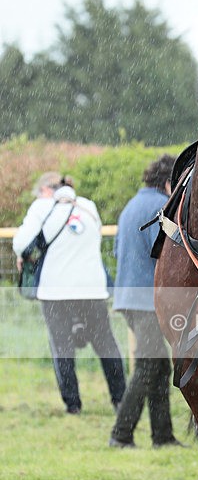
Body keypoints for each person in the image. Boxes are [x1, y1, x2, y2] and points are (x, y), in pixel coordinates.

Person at [13, 172, 126, 414]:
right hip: (92, 288)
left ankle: (73, 405)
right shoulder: (87, 206)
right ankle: (120, 399)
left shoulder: (41, 207)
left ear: (46, 189)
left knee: (62, 348)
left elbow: (20, 244)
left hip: (56, 290)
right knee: (106, 344)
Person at [109, 154, 184, 449]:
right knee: (146, 366)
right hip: (147, 300)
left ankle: (162, 436)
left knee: (158, 367)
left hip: (128, 297)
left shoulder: (132, 205)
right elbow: (169, 252)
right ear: (168, 183)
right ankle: (121, 434)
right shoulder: (159, 207)